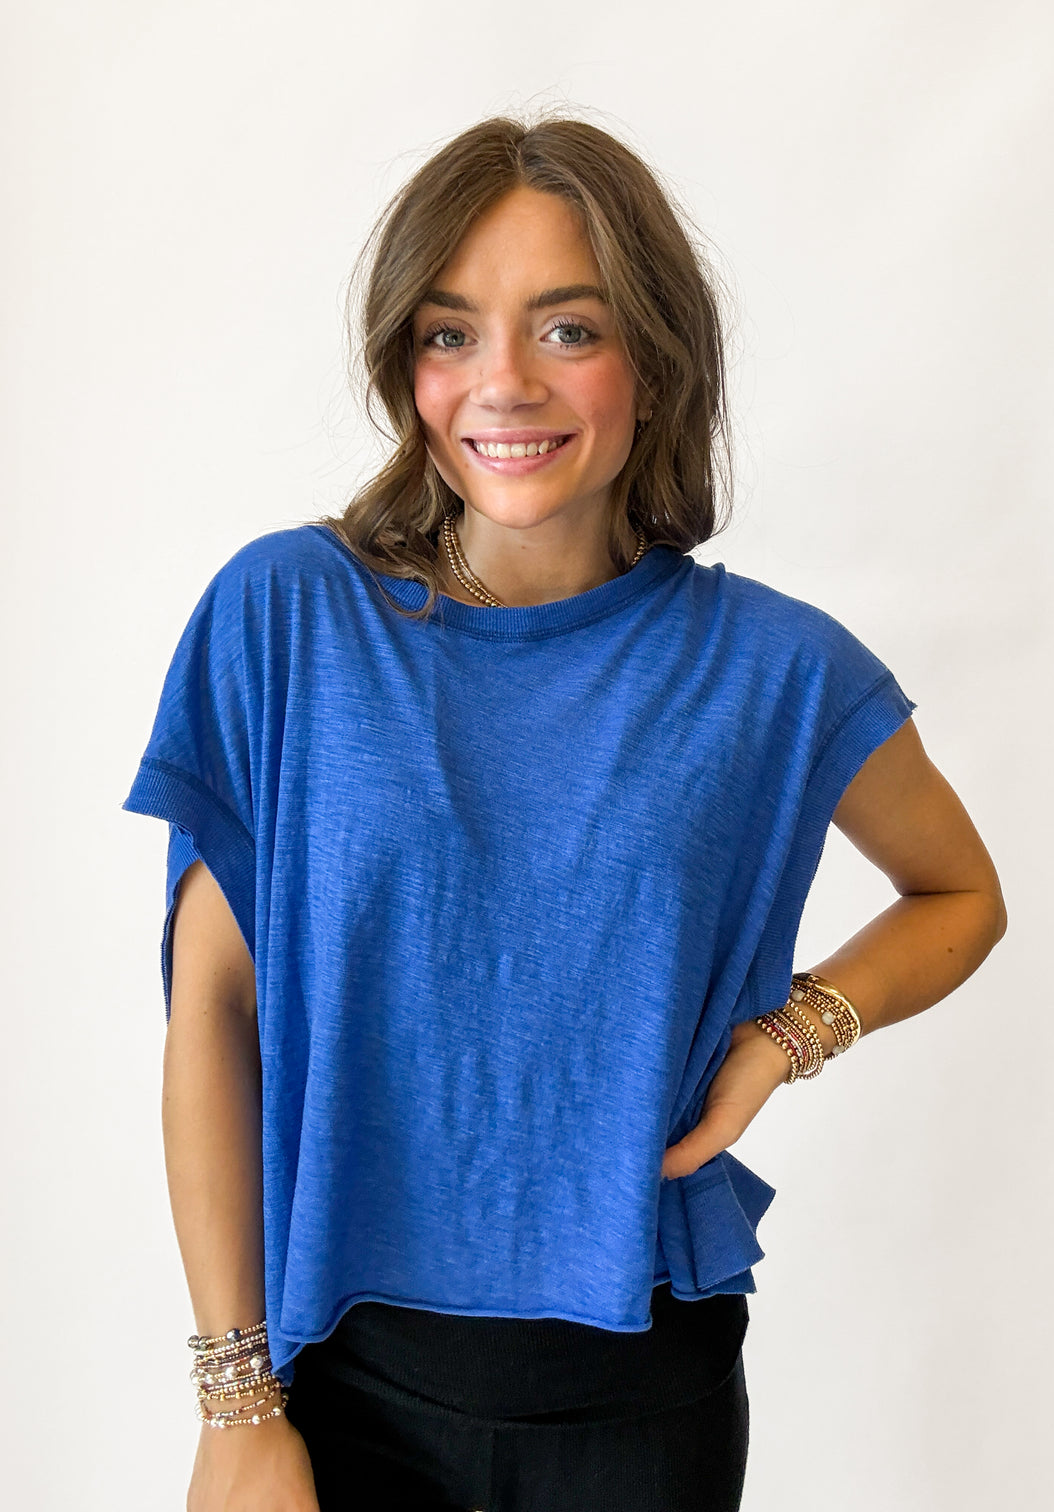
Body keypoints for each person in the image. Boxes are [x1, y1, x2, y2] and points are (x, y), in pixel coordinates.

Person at [121, 115, 1007, 1512]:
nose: (504, 385)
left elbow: (962, 893)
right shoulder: (287, 620)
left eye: (569, 328)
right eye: (450, 333)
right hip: (338, 1395)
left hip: (647, 1410)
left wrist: (792, 1035)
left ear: (655, 360)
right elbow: (209, 1015)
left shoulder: (773, 670)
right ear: (405, 366)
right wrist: (237, 1400)